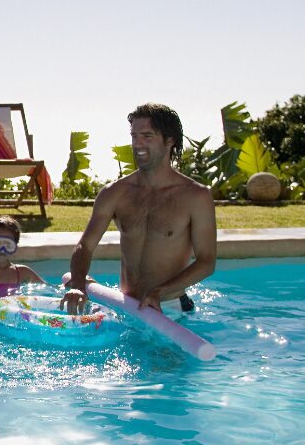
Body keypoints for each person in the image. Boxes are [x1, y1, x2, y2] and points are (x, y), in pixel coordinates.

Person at [62, 103, 216, 315]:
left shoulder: (196, 197)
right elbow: (85, 246)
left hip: (169, 309)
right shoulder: (114, 193)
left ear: (169, 141)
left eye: (147, 136)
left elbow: (207, 262)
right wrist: (78, 286)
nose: (137, 144)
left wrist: (159, 293)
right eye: (134, 136)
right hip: (126, 305)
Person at [0, 215, 45, 297]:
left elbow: (48, 289)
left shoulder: (23, 272)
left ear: (15, 247)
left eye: (8, 244)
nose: (2, 249)